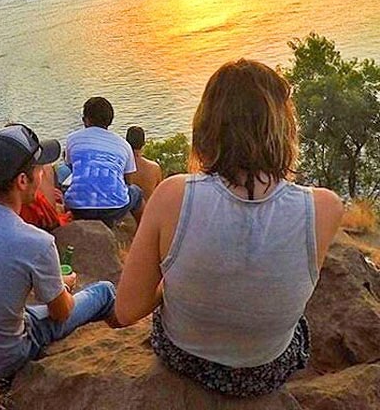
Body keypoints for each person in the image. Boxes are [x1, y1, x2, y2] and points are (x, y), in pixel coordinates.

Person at [112, 60, 344, 398]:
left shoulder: (173, 196)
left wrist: (174, 286)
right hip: (267, 370)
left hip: (184, 360)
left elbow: (127, 309)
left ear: (207, 125)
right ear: (282, 128)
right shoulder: (325, 208)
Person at [0, 124, 116, 381]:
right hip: (3, 360)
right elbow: (61, 313)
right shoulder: (36, 242)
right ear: (22, 180)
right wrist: (62, 289)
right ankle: (118, 341)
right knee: (104, 291)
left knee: (28, 309)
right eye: (39, 169)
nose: (42, 174)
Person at [63, 97, 143, 228]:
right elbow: (128, 181)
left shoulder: (72, 139)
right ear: (110, 120)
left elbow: (72, 168)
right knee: (137, 192)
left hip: (77, 207)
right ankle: (139, 232)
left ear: (86, 120)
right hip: (114, 208)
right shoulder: (123, 144)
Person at [125, 126, 162, 203]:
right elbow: (159, 193)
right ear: (143, 143)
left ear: (126, 142)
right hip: (149, 211)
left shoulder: (122, 167)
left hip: (127, 212)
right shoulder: (154, 168)